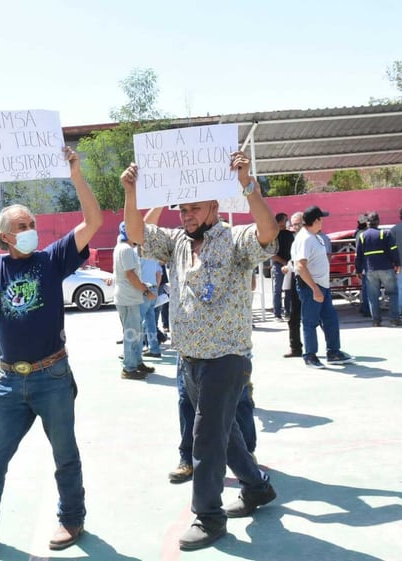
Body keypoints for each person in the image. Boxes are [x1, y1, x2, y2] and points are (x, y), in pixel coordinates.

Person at [0, 146, 102, 558]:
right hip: (9, 382)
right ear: (4, 237)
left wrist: (76, 175)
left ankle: (72, 518)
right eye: (22, 225)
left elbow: (94, 221)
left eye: (32, 222)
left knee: (65, 454)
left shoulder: (52, 259)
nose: (31, 228)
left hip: (53, 376)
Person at [122, 150, 279, 551]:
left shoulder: (235, 239)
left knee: (205, 440)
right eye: (182, 208)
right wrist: (132, 190)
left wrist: (248, 186)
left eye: (193, 207)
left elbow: (267, 234)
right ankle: (257, 487)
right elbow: (136, 234)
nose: (185, 214)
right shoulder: (175, 242)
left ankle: (208, 516)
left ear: (214, 205)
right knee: (223, 437)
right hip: (188, 358)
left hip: (226, 357)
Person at [291, 206, 354, 369]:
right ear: (316, 220)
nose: (323, 221)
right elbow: (300, 266)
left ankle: (333, 352)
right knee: (310, 321)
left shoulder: (313, 237)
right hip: (312, 287)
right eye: (321, 219)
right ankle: (310, 355)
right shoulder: (305, 239)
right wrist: (315, 289)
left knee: (330, 319)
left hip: (321, 286)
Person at [114, 221, 157, 379]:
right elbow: (130, 275)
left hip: (130, 298)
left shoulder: (125, 248)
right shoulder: (126, 250)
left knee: (136, 334)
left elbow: (131, 275)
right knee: (132, 335)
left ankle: (136, 362)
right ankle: (129, 368)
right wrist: (146, 291)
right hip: (128, 299)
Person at [355, 211, 401, 327]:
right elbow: (393, 250)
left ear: (367, 223)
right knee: (393, 293)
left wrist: (358, 270)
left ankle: (376, 321)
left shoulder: (362, 236)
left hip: (370, 270)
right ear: (378, 222)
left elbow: (358, 255)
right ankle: (395, 319)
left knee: (373, 296)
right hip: (386, 268)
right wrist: (397, 263)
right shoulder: (386, 234)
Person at [282, 211, 305, 357]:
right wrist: (288, 266)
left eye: (298, 224)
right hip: (297, 280)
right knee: (294, 317)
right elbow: (294, 260)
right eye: (293, 224)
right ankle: (295, 347)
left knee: (320, 318)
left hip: (311, 281)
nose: (295, 227)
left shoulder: (313, 238)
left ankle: (332, 348)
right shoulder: (294, 239)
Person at [139, 248, 163, 358]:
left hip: (142, 289)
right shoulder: (153, 254)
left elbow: (132, 274)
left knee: (138, 322)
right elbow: (159, 273)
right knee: (150, 321)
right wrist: (155, 290)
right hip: (153, 288)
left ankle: (135, 351)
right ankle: (154, 348)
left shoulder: (135, 253)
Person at [271, 212, 294, 321]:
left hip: (289, 265)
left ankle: (288, 312)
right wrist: (283, 262)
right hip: (278, 265)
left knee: (289, 289)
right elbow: (272, 254)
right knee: (278, 290)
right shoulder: (273, 235)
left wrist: (289, 263)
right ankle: (277, 313)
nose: (287, 221)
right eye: (286, 219)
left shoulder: (290, 234)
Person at [354, 213, 371, 317]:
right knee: (368, 287)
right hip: (368, 263)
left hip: (363, 263)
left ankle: (366, 308)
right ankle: (367, 308)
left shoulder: (358, 233)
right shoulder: (364, 234)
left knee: (366, 287)